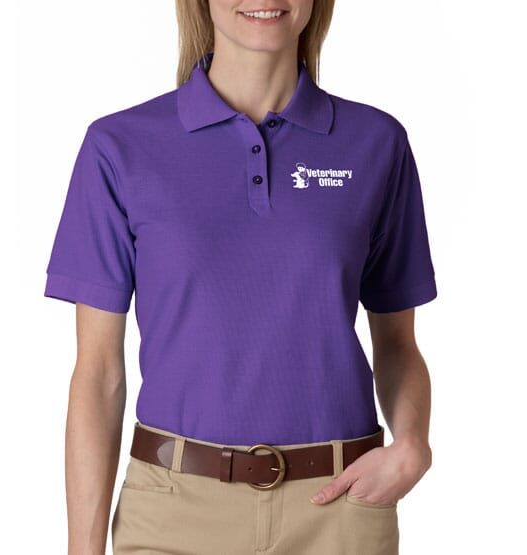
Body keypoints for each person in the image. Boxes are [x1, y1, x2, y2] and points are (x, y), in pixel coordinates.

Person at [44, 1, 437, 553]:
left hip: (340, 510)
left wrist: (413, 445)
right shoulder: (119, 146)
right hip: (172, 516)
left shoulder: (376, 143)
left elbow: (397, 344)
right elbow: (98, 374)